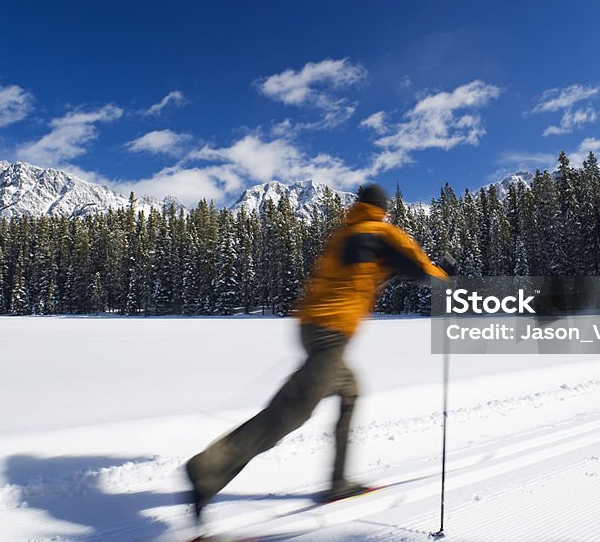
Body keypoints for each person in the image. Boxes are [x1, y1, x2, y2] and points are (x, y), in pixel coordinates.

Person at [185, 183, 451, 520]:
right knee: (292, 411)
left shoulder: (346, 234)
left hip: (312, 329)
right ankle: (207, 468)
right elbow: (417, 268)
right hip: (329, 333)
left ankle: (338, 482)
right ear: (381, 208)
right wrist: (444, 276)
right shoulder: (380, 232)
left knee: (350, 392)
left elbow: (377, 272)